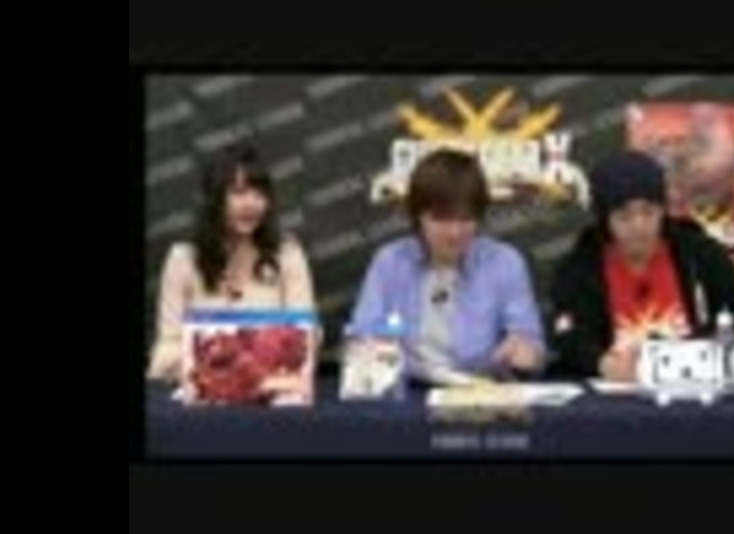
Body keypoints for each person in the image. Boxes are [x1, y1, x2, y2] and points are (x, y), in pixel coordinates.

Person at [549, 150, 734, 381]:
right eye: (624, 215)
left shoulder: (700, 255)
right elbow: (569, 338)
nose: (639, 225)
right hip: (618, 393)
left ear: (663, 210)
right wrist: (602, 364)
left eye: (648, 212)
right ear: (604, 219)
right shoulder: (580, 268)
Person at [348, 149, 545, 386]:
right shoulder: (389, 262)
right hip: (405, 390)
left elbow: (532, 347)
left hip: (480, 392)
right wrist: (372, 349)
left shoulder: (505, 263)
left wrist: (526, 353)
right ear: (417, 216)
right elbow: (362, 337)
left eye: (466, 219)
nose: (454, 232)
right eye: (441, 219)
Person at [146, 143, 317, 385]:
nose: (251, 204)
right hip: (202, 395)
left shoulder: (288, 256)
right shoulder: (182, 260)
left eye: (259, 194)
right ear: (214, 199)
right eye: (238, 192)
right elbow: (165, 353)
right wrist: (216, 367)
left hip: (269, 394)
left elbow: (306, 340)